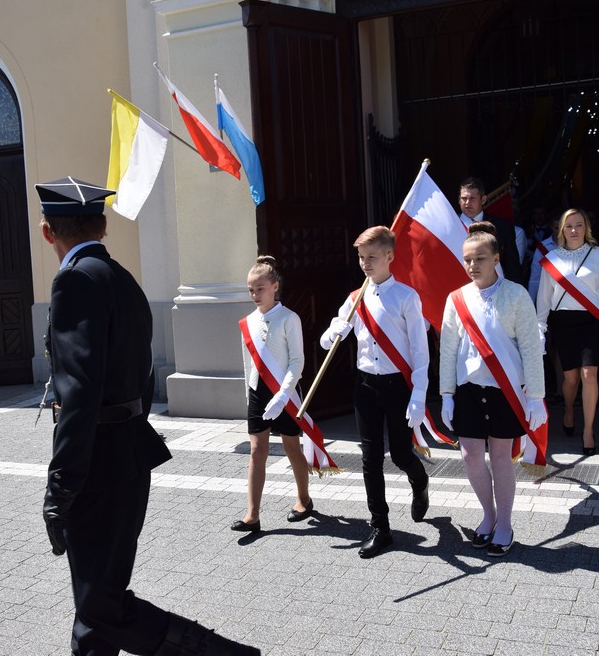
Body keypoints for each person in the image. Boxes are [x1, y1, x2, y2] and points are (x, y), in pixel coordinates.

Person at [37, 176, 258, 656]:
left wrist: (61, 487)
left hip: (96, 464)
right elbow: (140, 373)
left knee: (100, 605)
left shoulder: (74, 281)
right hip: (128, 454)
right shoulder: (122, 277)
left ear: (47, 231)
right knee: (97, 601)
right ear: (102, 224)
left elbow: (78, 396)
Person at [319, 226, 430, 559]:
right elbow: (327, 341)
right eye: (361, 257)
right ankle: (380, 526)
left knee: (399, 453)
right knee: (370, 459)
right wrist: (333, 331)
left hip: (397, 386)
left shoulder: (407, 297)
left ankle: (419, 478)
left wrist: (420, 394)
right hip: (365, 385)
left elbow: (420, 350)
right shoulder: (355, 299)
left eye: (371, 257)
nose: (365, 263)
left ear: (389, 257)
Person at [439, 222, 546, 556]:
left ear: (496, 258)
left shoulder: (515, 295)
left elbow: (529, 347)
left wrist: (537, 396)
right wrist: (446, 394)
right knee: (471, 457)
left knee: (500, 457)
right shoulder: (456, 299)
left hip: (505, 390)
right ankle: (488, 515)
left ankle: (505, 524)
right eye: (468, 260)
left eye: (480, 258)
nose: (473, 266)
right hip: (469, 389)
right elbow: (448, 349)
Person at [536, 208, 599, 456]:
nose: (574, 230)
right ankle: (569, 410)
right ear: (561, 230)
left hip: (592, 322)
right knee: (571, 379)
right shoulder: (552, 258)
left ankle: (588, 430)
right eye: (569, 226)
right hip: (564, 323)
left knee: (590, 374)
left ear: (586, 228)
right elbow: (544, 297)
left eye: (579, 225)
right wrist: (540, 327)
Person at [232, 256, 312, 533]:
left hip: (285, 391)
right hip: (258, 392)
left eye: (260, 289)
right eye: (251, 290)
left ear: (275, 286)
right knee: (257, 451)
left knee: (291, 448)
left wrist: (283, 395)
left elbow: (297, 361)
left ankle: (304, 499)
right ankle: (252, 515)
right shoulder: (247, 322)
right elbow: (247, 363)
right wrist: (249, 395)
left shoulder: (290, 318)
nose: (255, 295)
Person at [458, 177, 524, 284]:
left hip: (495, 290)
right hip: (459, 289)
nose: (467, 203)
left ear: (483, 200)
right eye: (464, 198)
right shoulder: (449, 226)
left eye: (472, 198)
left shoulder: (503, 227)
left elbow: (512, 266)